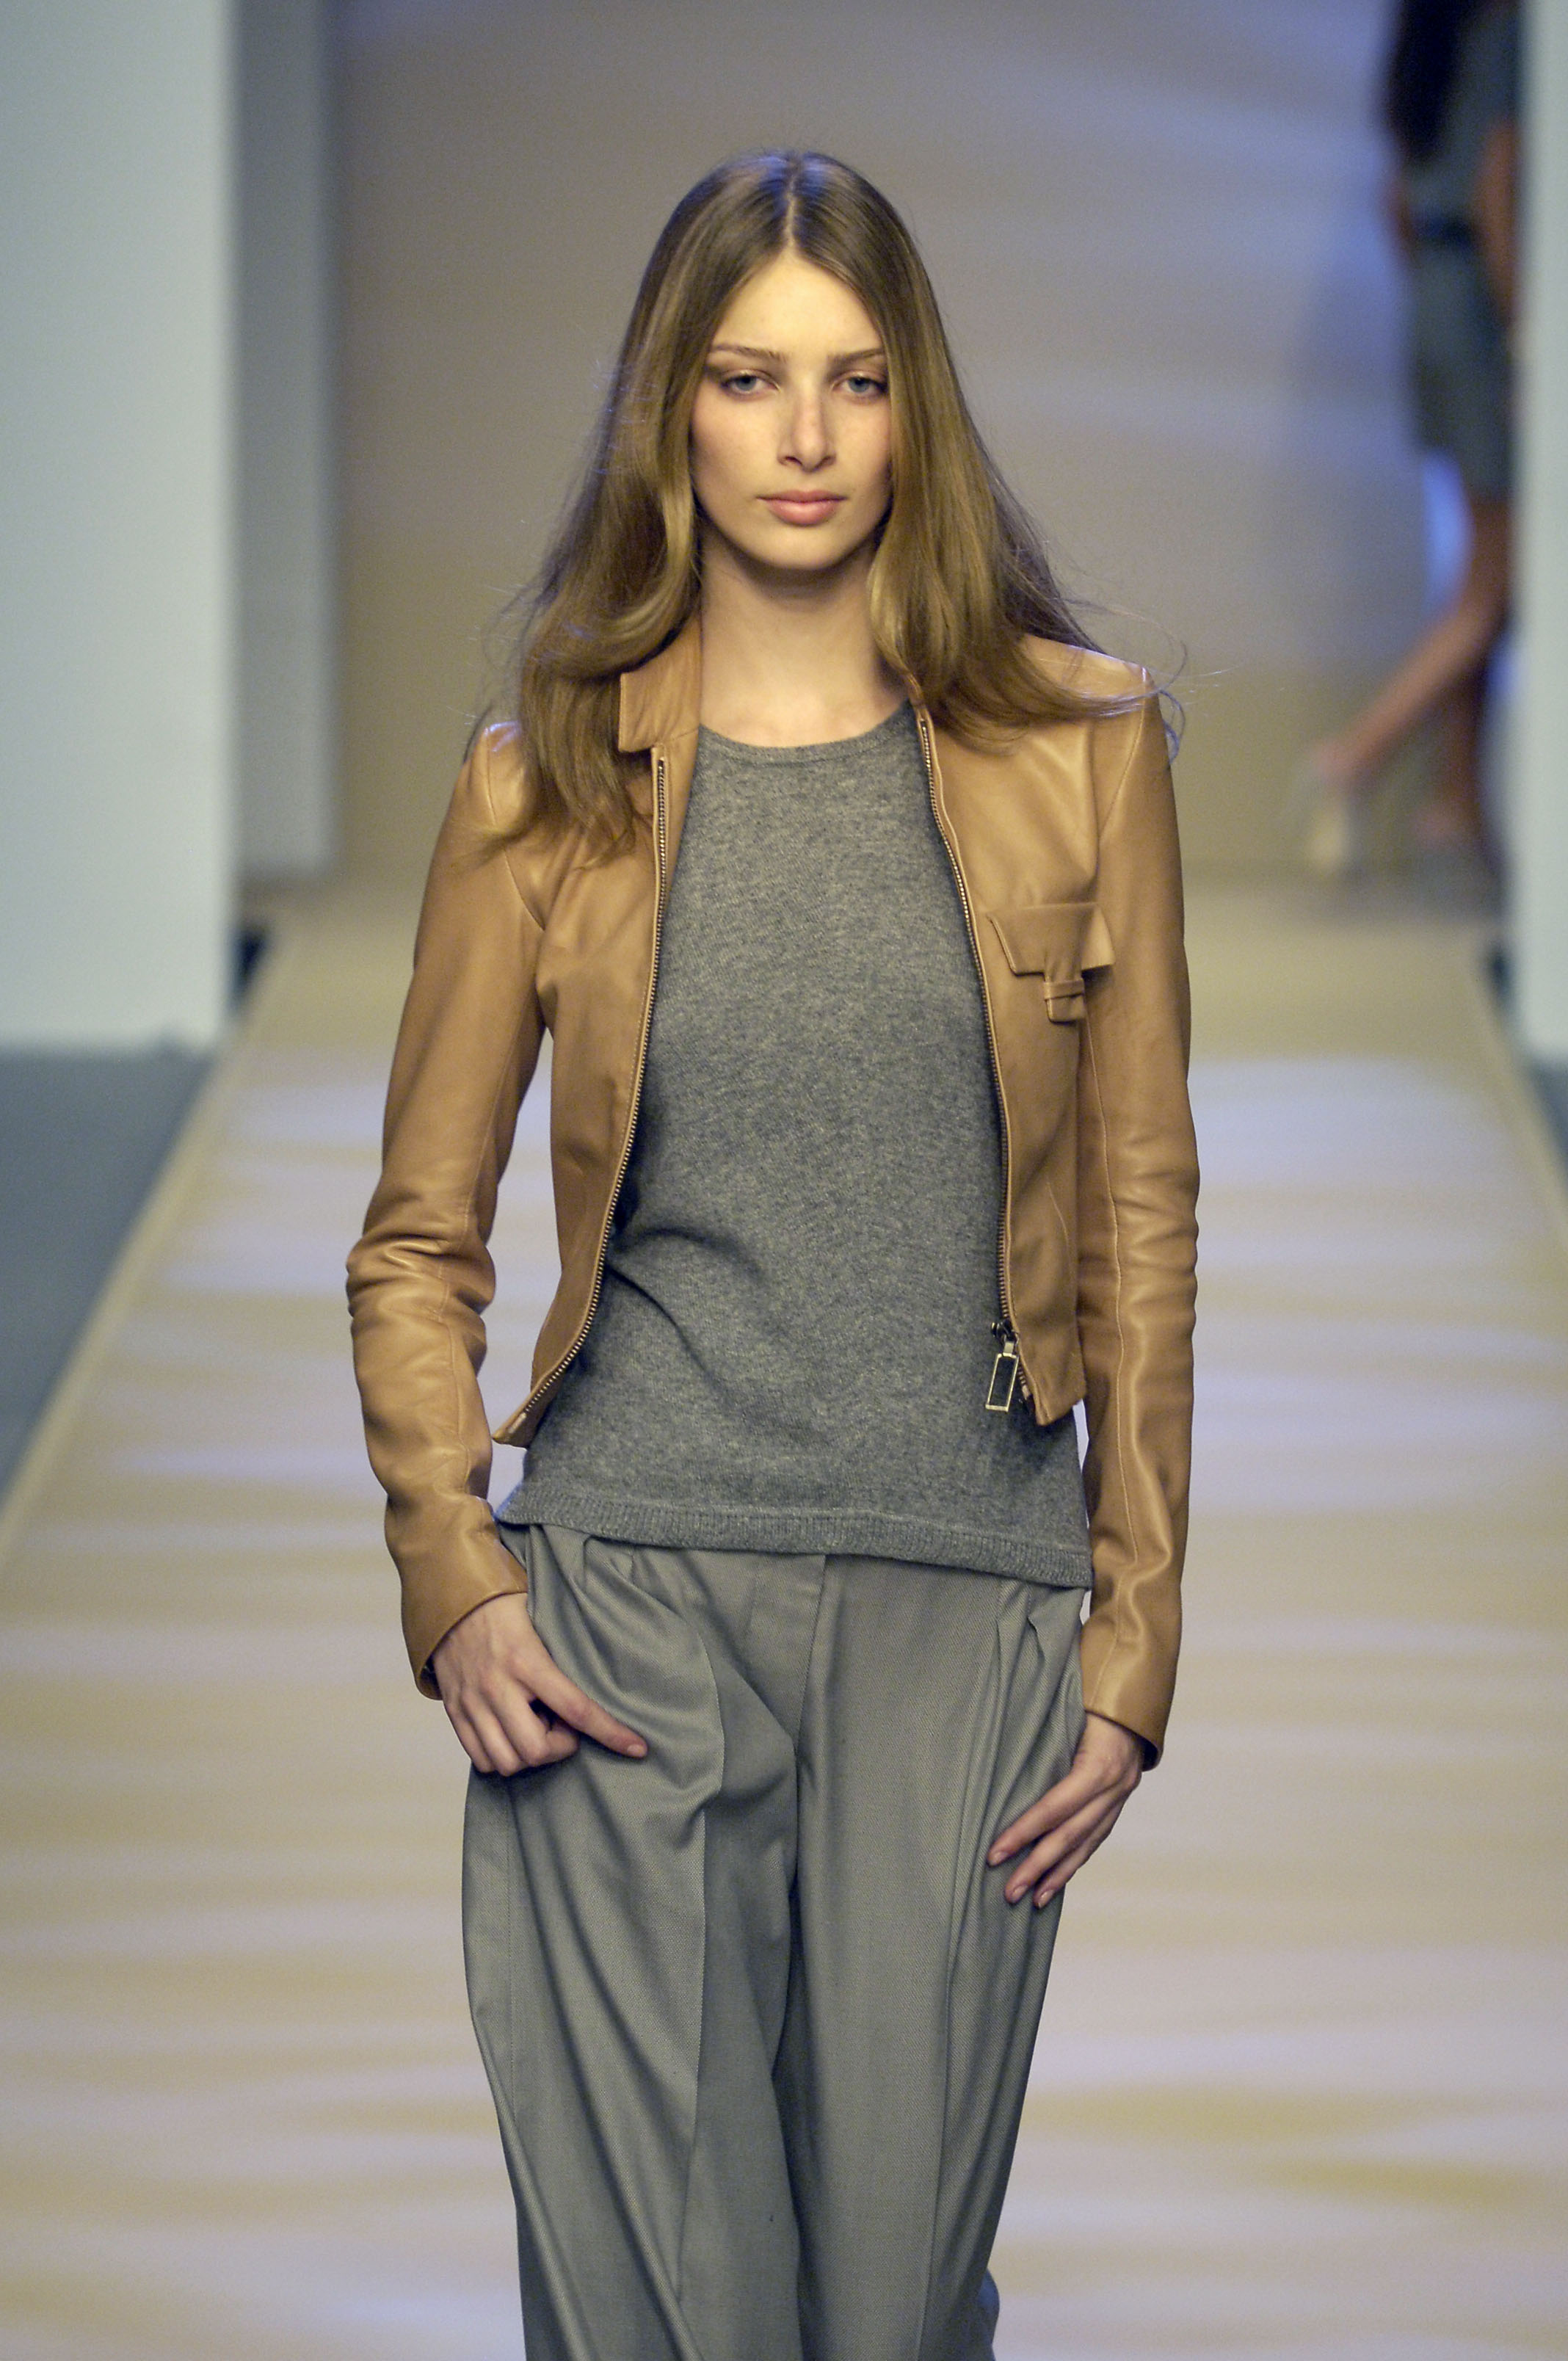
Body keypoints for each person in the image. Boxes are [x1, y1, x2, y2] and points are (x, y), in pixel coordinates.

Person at [347, 150, 1198, 2361]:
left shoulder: (1083, 750)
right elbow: (417, 1235)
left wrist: (1134, 1634)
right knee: (662, 2307)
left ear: (917, 409)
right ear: (674, 408)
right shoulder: (541, 785)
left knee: (893, 2312)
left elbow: (1139, 1218)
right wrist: (456, 1574)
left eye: (854, 380)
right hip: (627, 1608)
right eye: (747, 379)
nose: (804, 438)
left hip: (964, 1604)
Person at [1296, 0, 1520, 878]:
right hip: (1483, 299)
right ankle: (1354, 758)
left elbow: (1397, 198)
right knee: (1495, 584)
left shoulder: (1427, 38)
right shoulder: (1507, 33)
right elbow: (1498, 181)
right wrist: (1522, 333)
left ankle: (1453, 810)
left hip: (1436, 294)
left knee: (1480, 569)